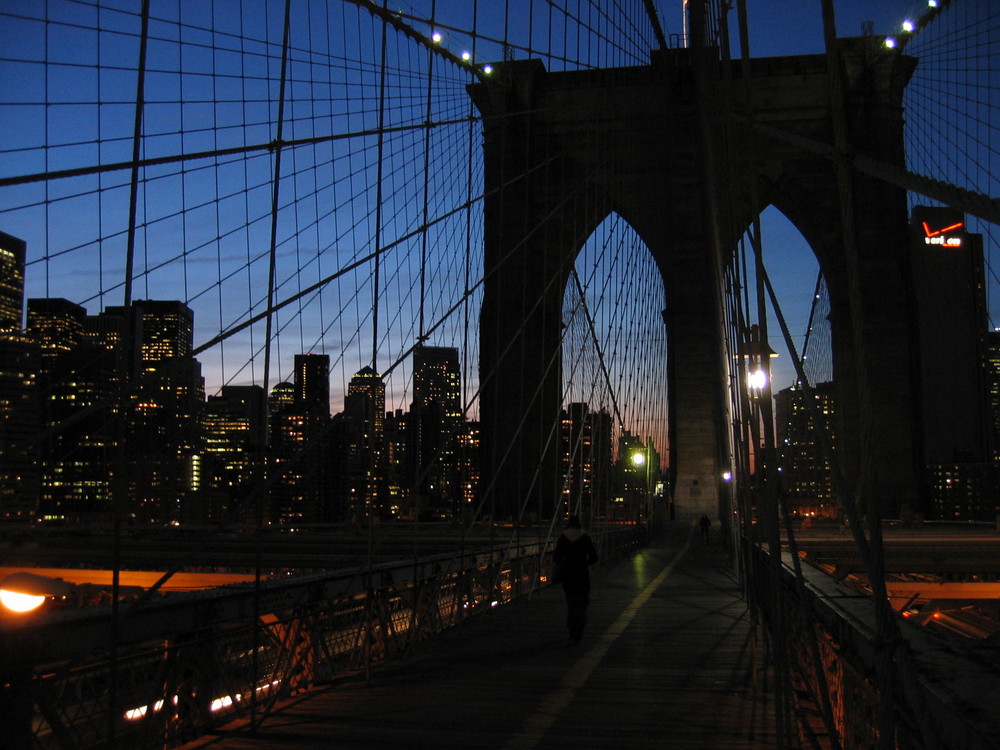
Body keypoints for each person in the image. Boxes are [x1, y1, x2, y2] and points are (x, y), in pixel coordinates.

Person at [553, 515, 598, 643]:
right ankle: (579, 628)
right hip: (582, 573)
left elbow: (556, 557)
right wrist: (584, 563)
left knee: (571, 601)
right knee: (582, 601)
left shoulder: (563, 538)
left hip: (568, 574)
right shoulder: (585, 537)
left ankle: (572, 628)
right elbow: (594, 557)